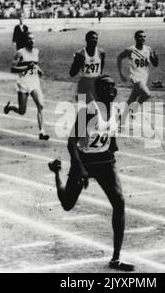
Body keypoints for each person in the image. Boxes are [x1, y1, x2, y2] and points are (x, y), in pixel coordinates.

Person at [48, 75, 135, 272]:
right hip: (85, 161)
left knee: (119, 201)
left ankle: (116, 259)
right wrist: (79, 168)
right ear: (96, 91)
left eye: (113, 86)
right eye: (106, 87)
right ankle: (57, 172)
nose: (111, 90)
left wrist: (112, 143)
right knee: (67, 204)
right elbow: (71, 142)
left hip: (105, 161)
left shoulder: (115, 110)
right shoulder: (88, 111)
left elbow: (110, 132)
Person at [4, 31, 49, 140]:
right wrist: (26, 68)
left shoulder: (36, 51)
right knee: (22, 111)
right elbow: (12, 69)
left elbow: (34, 65)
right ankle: (10, 107)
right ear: (25, 41)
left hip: (34, 82)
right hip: (23, 83)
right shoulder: (20, 53)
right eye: (29, 39)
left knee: (40, 105)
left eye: (33, 38)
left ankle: (42, 132)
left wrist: (39, 70)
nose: (32, 40)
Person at [117, 30, 158, 126]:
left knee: (132, 98)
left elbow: (155, 64)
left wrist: (156, 56)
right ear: (135, 38)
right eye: (140, 36)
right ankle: (134, 109)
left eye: (144, 36)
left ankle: (122, 117)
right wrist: (121, 73)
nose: (142, 38)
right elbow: (119, 58)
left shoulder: (148, 49)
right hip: (135, 76)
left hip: (144, 76)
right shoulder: (130, 50)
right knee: (147, 94)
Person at [69, 31, 105, 104]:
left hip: (96, 84)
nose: (95, 40)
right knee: (84, 112)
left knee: (92, 110)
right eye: (92, 38)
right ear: (87, 40)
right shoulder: (80, 54)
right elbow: (72, 73)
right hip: (84, 84)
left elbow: (101, 70)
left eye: (96, 38)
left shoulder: (101, 52)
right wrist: (77, 62)